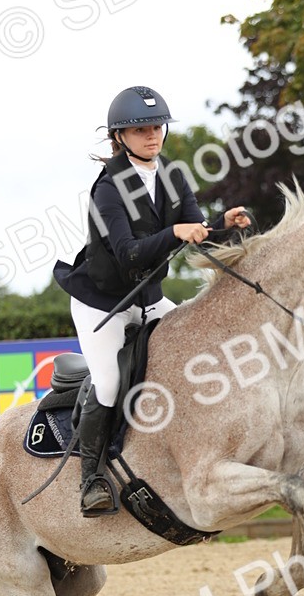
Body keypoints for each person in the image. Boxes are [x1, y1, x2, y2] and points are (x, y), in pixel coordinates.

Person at [53, 85, 251, 517]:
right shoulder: (107, 189)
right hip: (102, 303)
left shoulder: (172, 175)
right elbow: (128, 253)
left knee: (193, 344)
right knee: (107, 383)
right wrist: (178, 232)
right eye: (139, 129)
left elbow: (193, 229)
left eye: (156, 126)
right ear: (120, 137)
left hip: (148, 298)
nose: (152, 135)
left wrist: (220, 224)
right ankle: (90, 479)